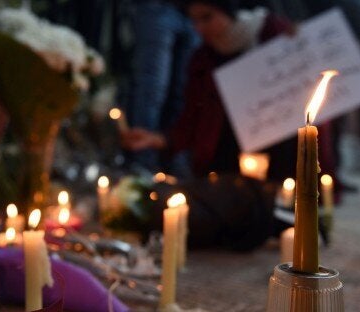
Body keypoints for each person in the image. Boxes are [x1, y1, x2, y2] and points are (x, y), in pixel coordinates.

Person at [122, 0, 340, 188]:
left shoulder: (276, 33)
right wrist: (157, 139)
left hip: (282, 155)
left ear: (228, 10)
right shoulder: (202, 59)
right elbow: (191, 120)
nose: (199, 28)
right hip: (226, 163)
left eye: (207, 18)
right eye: (194, 21)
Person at [123, 0, 200, 172]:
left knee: (186, 88)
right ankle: (142, 167)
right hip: (157, 6)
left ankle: (174, 164)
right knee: (151, 89)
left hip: (193, 9)